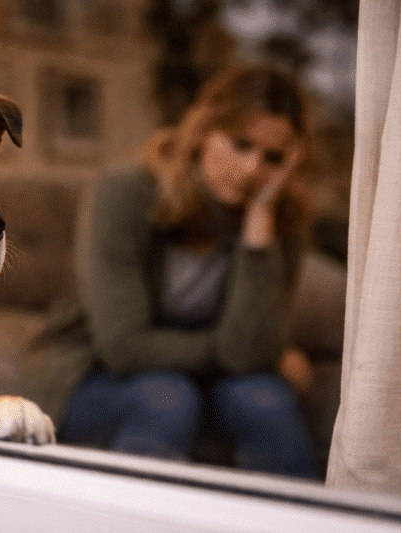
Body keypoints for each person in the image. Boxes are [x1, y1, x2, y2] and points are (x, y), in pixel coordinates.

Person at [24, 65, 318, 478]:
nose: (253, 169)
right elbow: (124, 346)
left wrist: (257, 237)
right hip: (96, 372)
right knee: (167, 396)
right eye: (240, 144)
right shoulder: (124, 192)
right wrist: (233, 354)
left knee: (265, 402)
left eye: (273, 158)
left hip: (209, 379)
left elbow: (252, 352)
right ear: (203, 131)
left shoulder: (278, 218)